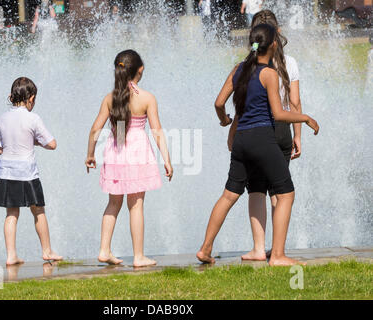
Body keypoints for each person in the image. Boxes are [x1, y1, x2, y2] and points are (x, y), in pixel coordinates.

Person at [196, 24, 319, 266]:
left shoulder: (238, 69)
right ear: (273, 44)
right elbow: (278, 113)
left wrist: (224, 120)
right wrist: (305, 117)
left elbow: (219, 102)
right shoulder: (269, 74)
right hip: (262, 138)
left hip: (241, 139)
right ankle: (279, 256)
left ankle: (205, 249)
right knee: (286, 194)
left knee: (229, 194)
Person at [226, 10, 303, 261]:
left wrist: (232, 130)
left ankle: (259, 249)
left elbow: (241, 104)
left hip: (254, 128)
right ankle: (276, 249)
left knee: (256, 189)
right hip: (280, 129)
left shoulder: (248, 64)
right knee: (279, 191)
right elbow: (295, 101)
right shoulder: (288, 62)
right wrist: (298, 134)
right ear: (276, 34)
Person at [85, 50, 173, 267]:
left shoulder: (110, 98)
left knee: (113, 202)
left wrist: (90, 154)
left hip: (115, 151)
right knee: (136, 205)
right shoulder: (146, 98)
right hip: (137, 153)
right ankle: (138, 256)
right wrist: (167, 159)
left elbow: (95, 129)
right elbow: (157, 131)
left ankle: (104, 250)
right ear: (140, 70)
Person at [0, 77, 62, 265]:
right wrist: (36, 142)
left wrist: (5, 151)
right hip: (27, 173)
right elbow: (52, 144)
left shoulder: (3, 118)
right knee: (38, 211)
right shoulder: (32, 118)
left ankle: (11, 255)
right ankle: (47, 251)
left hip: (6, 172)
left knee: (11, 213)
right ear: (31, 98)